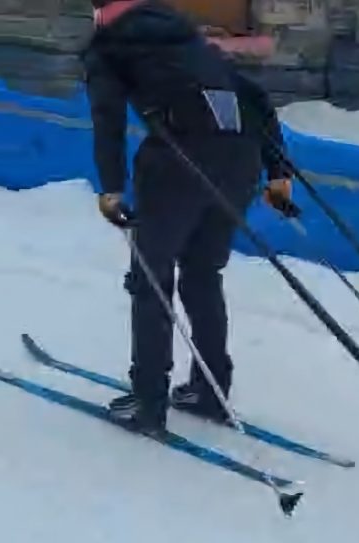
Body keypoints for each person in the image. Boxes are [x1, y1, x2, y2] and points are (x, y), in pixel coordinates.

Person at [84, 0, 294, 433]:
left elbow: (108, 117)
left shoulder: (109, 44)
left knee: (151, 279)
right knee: (202, 274)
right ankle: (211, 390)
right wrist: (278, 174)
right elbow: (255, 97)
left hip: (178, 160)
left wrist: (110, 187)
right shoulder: (189, 38)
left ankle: (148, 402)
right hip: (241, 160)